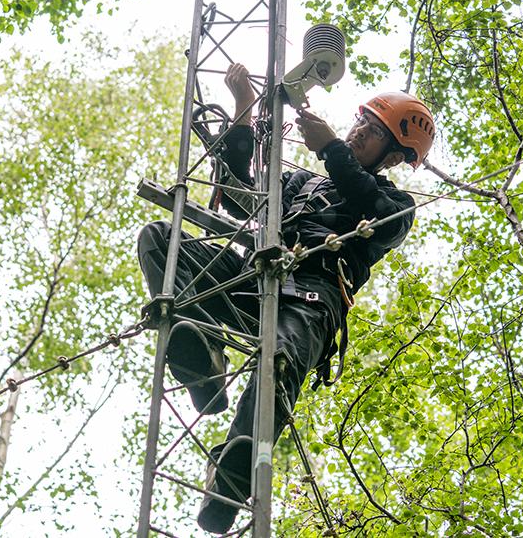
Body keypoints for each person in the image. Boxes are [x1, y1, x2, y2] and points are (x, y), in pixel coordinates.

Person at [137, 62, 435, 533]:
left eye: (372, 132)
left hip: (311, 298)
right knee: (161, 239)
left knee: (279, 358)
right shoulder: (303, 184)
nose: (358, 133)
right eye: (360, 123)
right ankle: (204, 361)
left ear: (394, 157)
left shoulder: (395, 207)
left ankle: (232, 472)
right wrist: (243, 108)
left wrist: (332, 148)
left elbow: (365, 202)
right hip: (254, 278)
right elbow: (240, 196)